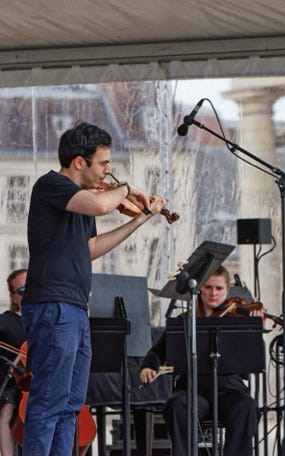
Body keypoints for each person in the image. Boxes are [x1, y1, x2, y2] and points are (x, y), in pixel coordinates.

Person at [21, 121, 166, 454]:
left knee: (72, 404)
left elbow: (90, 248)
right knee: (49, 400)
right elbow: (102, 204)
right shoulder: (51, 184)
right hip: (53, 304)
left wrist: (139, 219)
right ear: (78, 162)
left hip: (73, 307)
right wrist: (126, 188)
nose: (108, 171)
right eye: (103, 163)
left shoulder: (82, 202)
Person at [139, 266, 261, 456]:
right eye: (208, 287)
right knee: (176, 406)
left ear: (227, 290)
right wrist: (148, 366)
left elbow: (253, 358)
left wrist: (255, 330)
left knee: (248, 407)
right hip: (194, 392)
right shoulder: (186, 321)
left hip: (230, 391)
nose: (213, 293)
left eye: (219, 288)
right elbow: (158, 350)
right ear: (200, 289)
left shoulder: (237, 321)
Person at [0, 269, 28, 455]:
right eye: (23, 290)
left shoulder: (48, 319)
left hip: (42, 382)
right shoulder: (5, 321)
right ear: (13, 297)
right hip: (14, 382)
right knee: (6, 413)